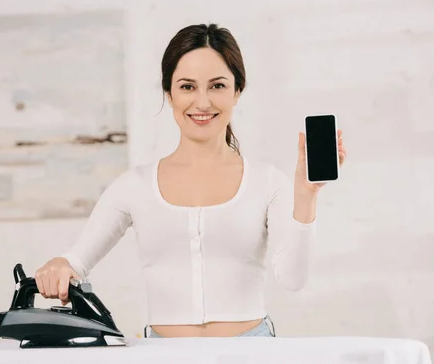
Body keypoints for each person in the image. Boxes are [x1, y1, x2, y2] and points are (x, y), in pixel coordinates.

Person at [34, 23, 347, 338]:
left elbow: (293, 278)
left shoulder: (268, 182)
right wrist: (59, 266)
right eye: (187, 87)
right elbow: (75, 261)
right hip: (161, 354)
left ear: (237, 91)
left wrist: (307, 195)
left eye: (217, 86)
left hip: (252, 352)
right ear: (168, 94)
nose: (202, 102)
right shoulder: (134, 186)